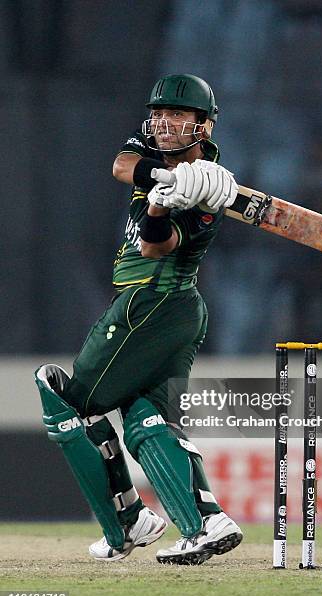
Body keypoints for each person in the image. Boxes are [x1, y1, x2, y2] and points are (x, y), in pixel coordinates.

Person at [35, 74, 242, 566]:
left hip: (153, 301)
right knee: (147, 419)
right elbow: (121, 165)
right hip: (172, 310)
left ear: (205, 126)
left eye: (178, 115)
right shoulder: (154, 148)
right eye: (159, 112)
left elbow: (156, 245)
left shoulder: (209, 190)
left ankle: (125, 523)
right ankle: (206, 523)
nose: (164, 122)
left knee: (62, 397)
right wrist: (160, 180)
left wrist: (162, 203)